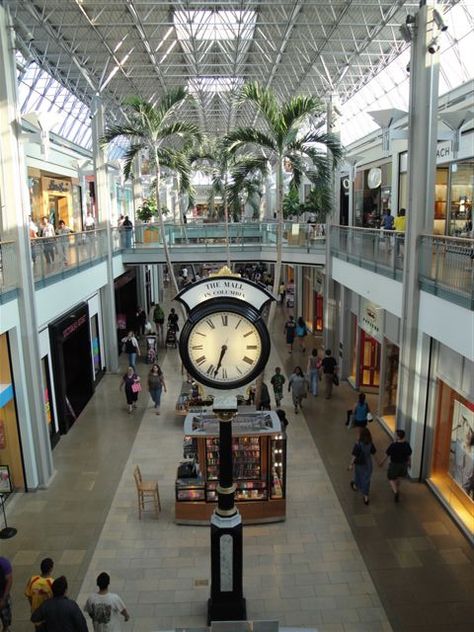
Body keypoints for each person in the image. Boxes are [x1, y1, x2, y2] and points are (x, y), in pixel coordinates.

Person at [379, 429, 412, 502]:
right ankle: (397, 488)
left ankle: (396, 492)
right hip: (404, 464)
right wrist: (409, 463)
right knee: (399, 476)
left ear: (398, 437)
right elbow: (409, 455)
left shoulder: (393, 445)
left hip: (394, 464)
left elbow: (387, 454)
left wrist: (382, 462)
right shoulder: (407, 445)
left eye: (395, 435)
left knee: (390, 478)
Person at [348, 427, 377, 505]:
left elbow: (354, 456)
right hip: (368, 464)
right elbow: (374, 454)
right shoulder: (371, 444)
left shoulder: (358, 444)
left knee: (358, 476)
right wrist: (379, 462)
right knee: (366, 480)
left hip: (360, 464)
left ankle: (356, 486)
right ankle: (366, 497)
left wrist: (351, 465)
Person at [25, 557, 54, 630]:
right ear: (51, 569)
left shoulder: (32, 580)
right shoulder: (52, 583)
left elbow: (28, 595)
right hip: (48, 616)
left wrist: (32, 606)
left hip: (36, 614)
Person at [0, 556, 12, 632]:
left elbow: (9, 580)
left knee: (5, 618)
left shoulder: (3, 563)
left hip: (2, 597)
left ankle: (6, 629)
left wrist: (3, 599)